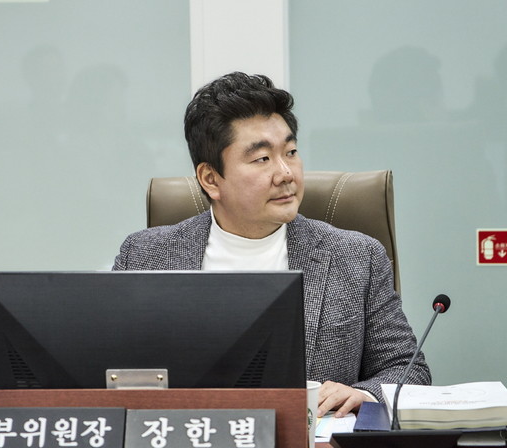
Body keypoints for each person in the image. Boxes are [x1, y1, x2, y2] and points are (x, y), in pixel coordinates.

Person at [114, 72, 430, 417]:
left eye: (291, 152)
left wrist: (362, 394)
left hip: (312, 447)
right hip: (187, 441)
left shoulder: (357, 257)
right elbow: (106, 373)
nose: (286, 173)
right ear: (211, 179)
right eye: (262, 159)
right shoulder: (144, 256)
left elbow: (408, 370)